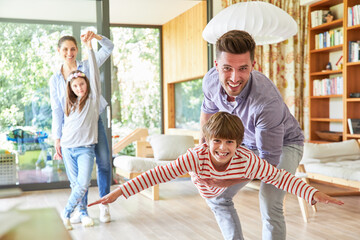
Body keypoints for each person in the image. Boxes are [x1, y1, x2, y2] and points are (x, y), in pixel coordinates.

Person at [88, 112, 343, 238]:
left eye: (230, 142)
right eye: (217, 141)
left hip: (236, 174)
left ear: (239, 143)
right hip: (211, 192)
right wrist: (120, 191)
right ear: (207, 140)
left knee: (262, 173)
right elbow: (159, 173)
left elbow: (281, 178)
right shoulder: (195, 157)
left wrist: (313, 192)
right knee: (224, 209)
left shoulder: (246, 159)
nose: (222, 148)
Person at [199, 30, 307, 240]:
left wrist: (227, 180)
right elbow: (207, 116)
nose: (234, 77)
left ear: (253, 66)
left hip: (284, 144)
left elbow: (267, 163)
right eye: (227, 68)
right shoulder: (211, 81)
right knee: (217, 198)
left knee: (270, 202)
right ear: (216, 65)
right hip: (246, 142)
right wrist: (203, 154)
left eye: (243, 69)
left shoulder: (266, 103)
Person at [49, 31, 114, 224]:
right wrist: (57, 138)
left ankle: (104, 204)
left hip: (94, 122)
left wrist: (95, 38)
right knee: (78, 176)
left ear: (77, 49)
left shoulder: (87, 66)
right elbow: (57, 111)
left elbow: (109, 48)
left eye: (73, 49)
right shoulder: (55, 79)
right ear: (59, 51)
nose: (70, 52)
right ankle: (82, 210)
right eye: (65, 49)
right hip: (71, 132)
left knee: (103, 162)